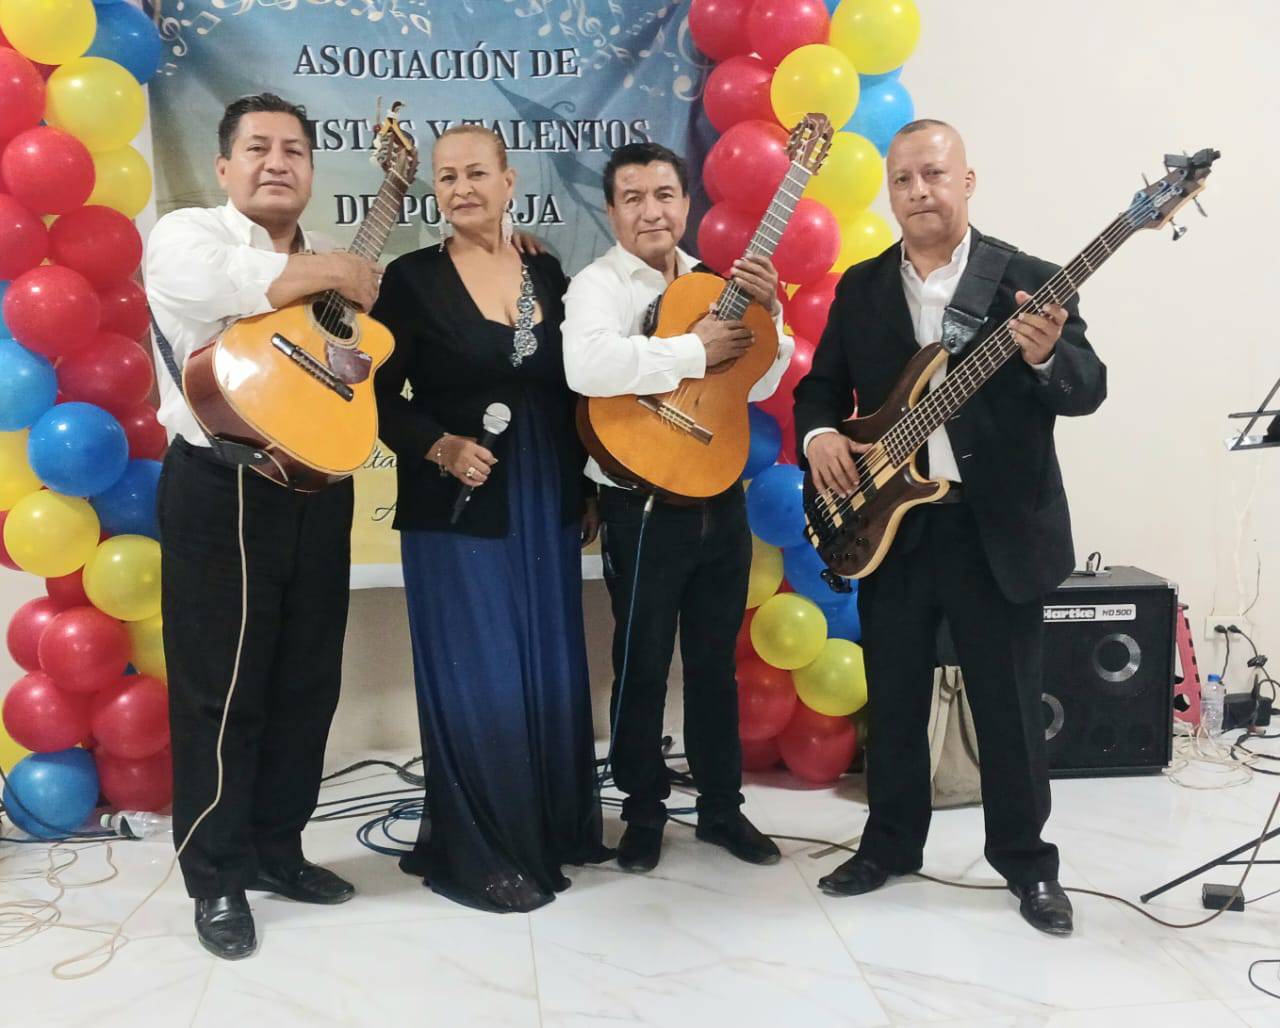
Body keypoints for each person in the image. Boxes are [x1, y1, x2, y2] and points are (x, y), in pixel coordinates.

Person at [793, 120, 1107, 935]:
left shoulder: (1026, 282)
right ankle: (890, 846)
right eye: (902, 179)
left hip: (992, 528)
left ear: (967, 181)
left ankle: (1028, 865)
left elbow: (1086, 388)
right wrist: (820, 435)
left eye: (933, 174)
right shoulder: (862, 287)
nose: (918, 191)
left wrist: (1044, 356)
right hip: (892, 529)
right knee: (894, 699)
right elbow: (819, 389)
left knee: (1009, 709)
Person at [145, 93, 383, 959]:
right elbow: (222, 288)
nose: (277, 162)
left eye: (294, 150)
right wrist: (333, 273)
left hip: (317, 489)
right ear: (224, 166)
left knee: (306, 684)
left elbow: (349, 370)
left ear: (313, 171)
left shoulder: (332, 269)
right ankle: (215, 877)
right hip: (222, 486)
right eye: (258, 148)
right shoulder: (188, 235)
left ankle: (279, 849)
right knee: (220, 692)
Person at [370, 125, 608, 913]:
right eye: (447, 177)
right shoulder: (410, 279)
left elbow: (573, 389)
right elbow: (376, 399)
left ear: (510, 182)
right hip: (456, 504)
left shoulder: (547, 270)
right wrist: (438, 446)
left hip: (545, 493)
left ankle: (552, 827)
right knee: (481, 671)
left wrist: (587, 488)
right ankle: (482, 849)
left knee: (546, 660)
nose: (462, 187)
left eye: (477, 172)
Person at [562, 142, 794, 873]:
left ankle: (722, 808)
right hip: (642, 504)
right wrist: (691, 352)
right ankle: (642, 810)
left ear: (686, 204)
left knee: (714, 665)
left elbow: (758, 383)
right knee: (641, 663)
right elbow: (587, 366)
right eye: (632, 197)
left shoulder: (715, 285)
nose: (651, 210)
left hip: (719, 499)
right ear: (611, 211)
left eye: (664, 194)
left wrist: (773, 316)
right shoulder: (597, 285)